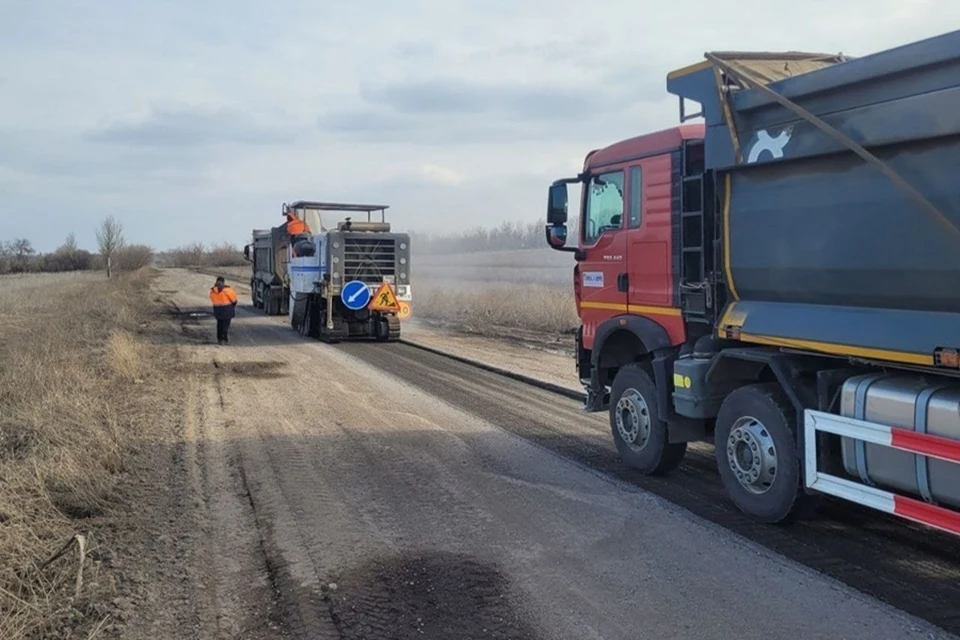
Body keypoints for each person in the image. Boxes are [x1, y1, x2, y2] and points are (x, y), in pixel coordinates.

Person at [209, 276, 238, 345]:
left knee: (219, 324)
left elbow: (212, 299)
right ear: (223, 282)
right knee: (226, 325)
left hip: (218, 311)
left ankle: (219, 339)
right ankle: (224, 339)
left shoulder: (213, 291)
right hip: (227, 310)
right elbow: (234, 300)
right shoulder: (228, 290)